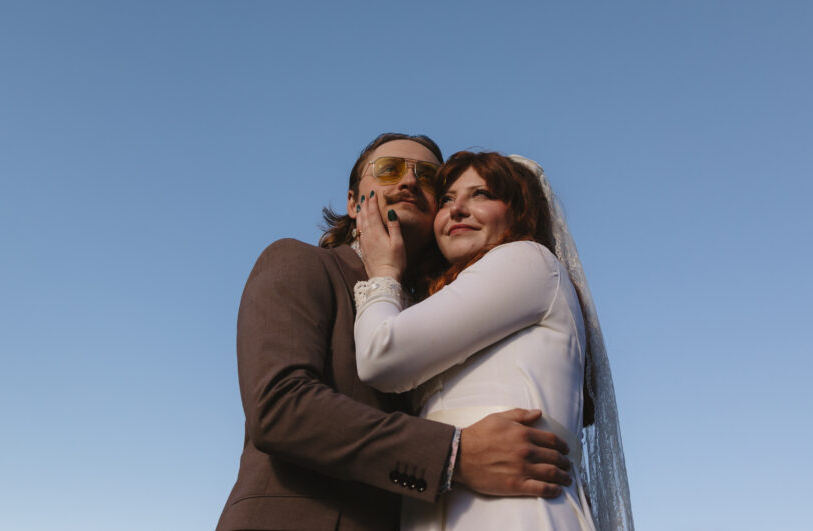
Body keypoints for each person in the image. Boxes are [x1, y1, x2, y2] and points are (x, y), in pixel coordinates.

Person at [217, 134, 575, 531]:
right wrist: (454, 456)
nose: (408, 182)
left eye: (427, 177)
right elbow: (279, 408)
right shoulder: (299, 261)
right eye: (389, 170)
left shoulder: (454, 310)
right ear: (354, 203)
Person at [353, 151, 634, 531]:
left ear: (520, 211)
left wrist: (384, 271)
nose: (457, 210)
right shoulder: (451, 299)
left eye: (481, 194)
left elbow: (381, 357)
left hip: (515, 511)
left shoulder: (528, 261)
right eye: (448, 199)